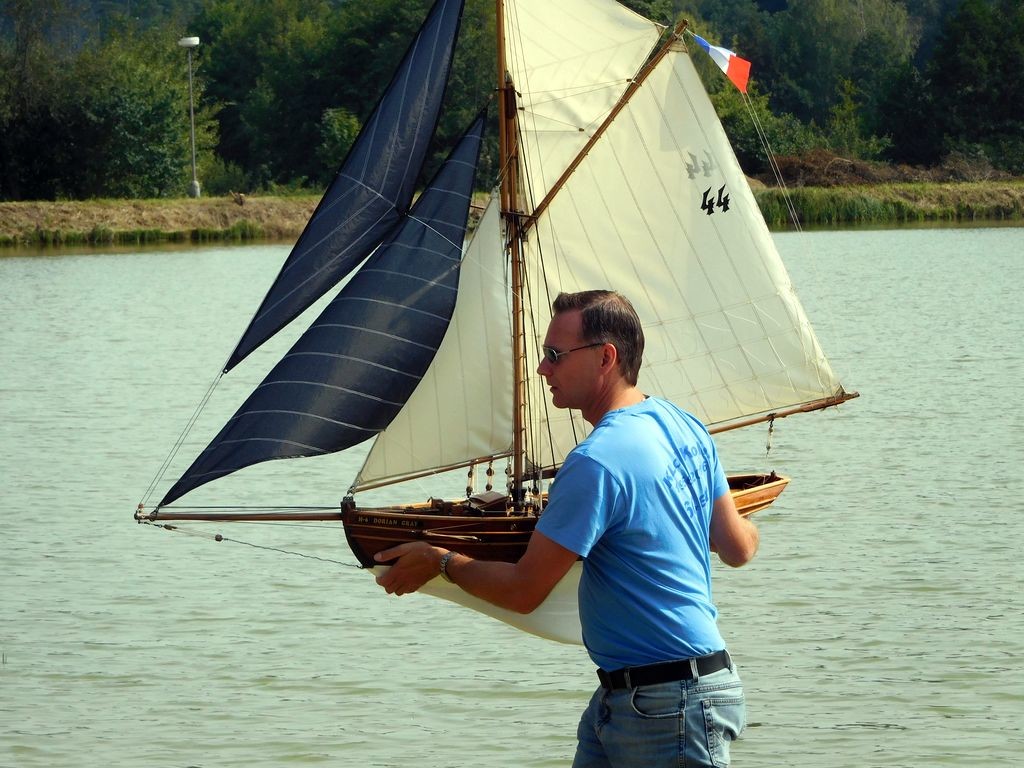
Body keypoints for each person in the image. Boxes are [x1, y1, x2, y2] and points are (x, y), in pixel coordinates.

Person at [375, 289, 759, 767]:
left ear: (606, 357)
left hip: (669, 706)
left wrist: (442, 562)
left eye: (555, 355)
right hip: (640, 695)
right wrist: (745, 523)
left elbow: (524, 591)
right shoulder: (686, 427)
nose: (542, 368)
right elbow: (738, 548)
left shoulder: (595, 462)